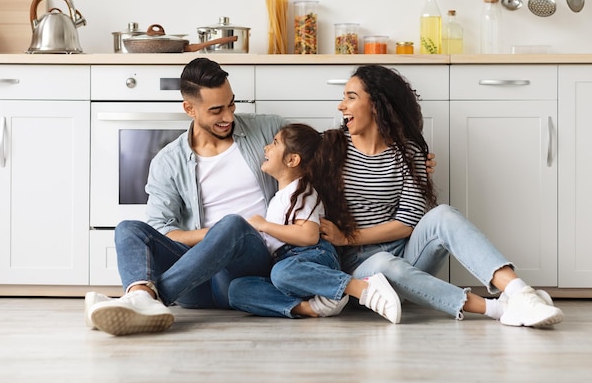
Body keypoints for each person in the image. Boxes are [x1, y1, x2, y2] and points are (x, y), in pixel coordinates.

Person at [313, 64, 563, 327]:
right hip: (358, 271)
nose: (341, 106)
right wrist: (344, 240)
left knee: (443, 214)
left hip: (407, 255)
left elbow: (408, 222)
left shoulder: (409, 152)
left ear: (376, 104)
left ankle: (520, 293)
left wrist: (348, 236)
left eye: (351, 97)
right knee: (386, 264)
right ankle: (498, 308)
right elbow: (288, 156)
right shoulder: (328, 147)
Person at [85, 57, 285, 336]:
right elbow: (161, 231)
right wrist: (214, 236)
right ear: (189, 108)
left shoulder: (268, 130)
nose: (228, 116)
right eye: (216, 110)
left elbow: (315, 159)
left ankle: (145, 299)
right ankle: (141, 296)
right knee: (128, 228)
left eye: (231, 104)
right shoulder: (168, 161)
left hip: (247, 272)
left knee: (233, 224)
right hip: (196, 284)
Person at [229, 123, 401, 323]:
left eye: (275, 142)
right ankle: (310, 308)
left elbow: (308, 236)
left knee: (281, 273)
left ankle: (360, 288)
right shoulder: (279, 196)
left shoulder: (303, 191)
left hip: (312, 256)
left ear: (292, 159)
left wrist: (264, 225)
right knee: (236, 290)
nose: (266, 147)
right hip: (291, 265)